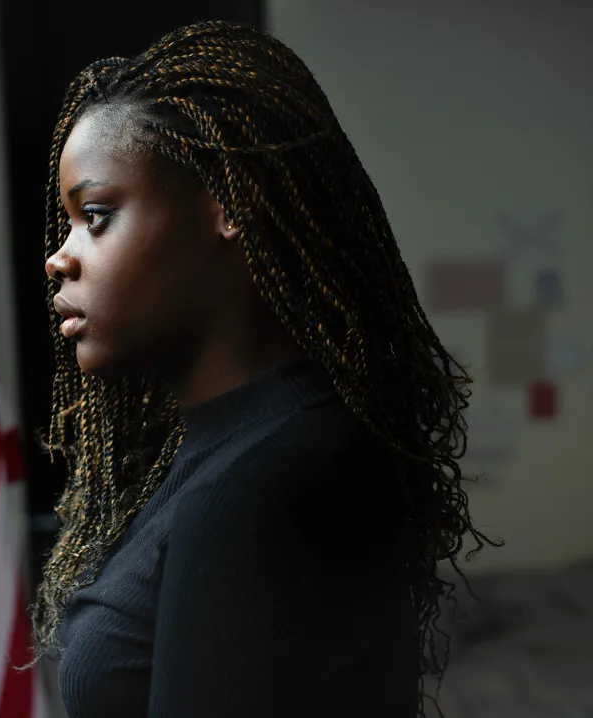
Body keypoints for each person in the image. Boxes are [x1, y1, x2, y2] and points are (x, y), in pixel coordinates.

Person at [28, 20, 496, 718]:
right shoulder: (240, 447)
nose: (59, 258)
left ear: (229, 202)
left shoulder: (266, 480)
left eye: (95, 216)